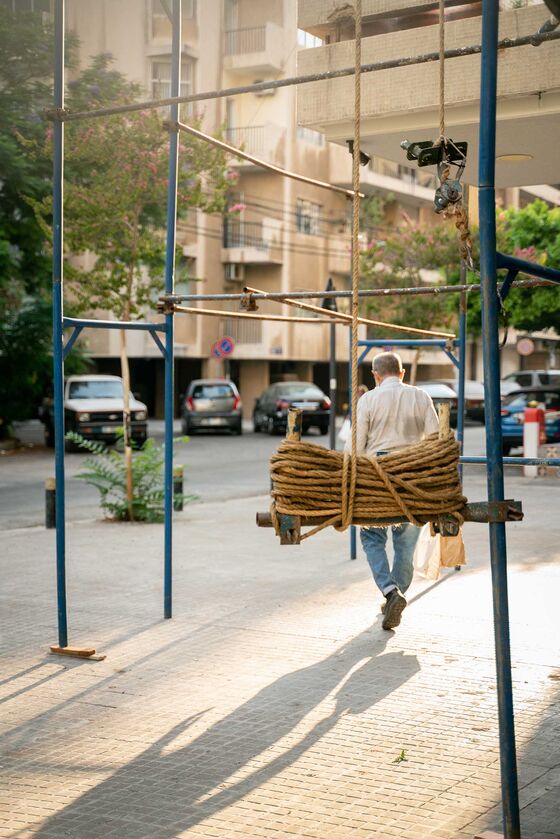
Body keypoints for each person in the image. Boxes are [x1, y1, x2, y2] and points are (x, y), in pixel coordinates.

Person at [345, 351, 439, 630]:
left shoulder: (368, 399)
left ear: (375, 376)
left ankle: (390, 591)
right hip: (412, 478)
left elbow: (357, 446)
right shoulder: (421, 397)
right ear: (402, 373)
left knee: (372, 538)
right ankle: (395, 596)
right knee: (405, 545)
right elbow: (435, 439)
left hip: (378, 477)